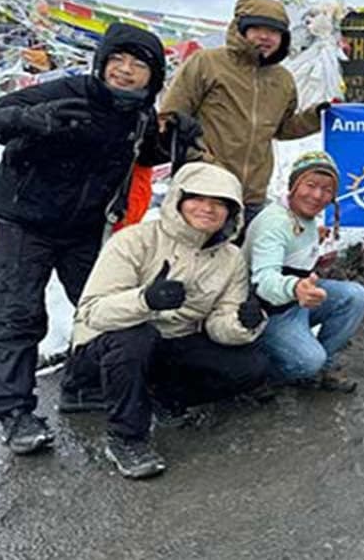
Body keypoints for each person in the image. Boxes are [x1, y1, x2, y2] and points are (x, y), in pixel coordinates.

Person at [0, 23, 170, 455]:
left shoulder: (140, 115)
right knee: (19, 316)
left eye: (138, 65)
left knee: (99, 309)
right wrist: (24, 120)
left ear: (153, 77)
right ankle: (14, 414)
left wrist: (172, 141)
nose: (125, 71)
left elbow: (141, 155)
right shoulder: (61, 93)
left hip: (82, 229)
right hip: (19, 220)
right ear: (102, 63)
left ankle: (79, 387)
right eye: (117, 61)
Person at [62, 162, 270, 478]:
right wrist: (145, 300)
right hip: (104, 346)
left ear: (232, 213)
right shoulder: (134, 240)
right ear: (178, 199)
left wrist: (243, 323)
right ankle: (126, 438)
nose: (208, 209)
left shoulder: (230, 258)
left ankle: (163, 398)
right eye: (198, 199)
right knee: (136, 338)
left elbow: (218, 324)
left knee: (251, 365)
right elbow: (93, 312)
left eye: (219, 203)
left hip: (170, 344)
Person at [160, 0, 328, 224]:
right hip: (204, 190)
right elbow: (172, 118)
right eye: (257, 28)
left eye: (274, 31)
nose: (266, 37)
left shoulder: (283, 79)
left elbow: (281, 128)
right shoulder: (207, 63)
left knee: (240, 259)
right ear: (241, 29)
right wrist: (199, 160)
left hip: (252, 197)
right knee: (196, 258)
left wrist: (317, 117)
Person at [245, 151, 364, 392]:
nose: (317, 196)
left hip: (294, 301)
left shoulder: (304, 216)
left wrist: (315, 261)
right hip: (268, 312)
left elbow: (293, 257)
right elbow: (263, 280)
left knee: (355, 296)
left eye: (327, 190)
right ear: (293, 185)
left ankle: (324, 369)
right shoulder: (274, 223)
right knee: (307, 361)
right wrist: (295, 287)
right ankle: (257, 375)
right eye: (310, 185)